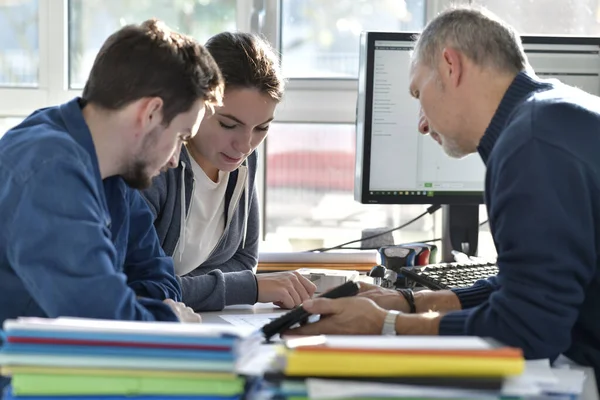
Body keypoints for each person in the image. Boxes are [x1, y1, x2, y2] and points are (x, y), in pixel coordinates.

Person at [287, 6, 600, 383]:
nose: (421, 123)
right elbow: (529, 285)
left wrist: (388, 325)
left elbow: (529, 328)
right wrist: (410, 301)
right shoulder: (552, 113)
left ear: (450, 65)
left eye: (418, 92)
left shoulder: (530, 143)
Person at [0, 19, 224, 325]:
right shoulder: (49, 168)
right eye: (181, 137)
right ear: (150, 113)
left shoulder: (117, 170)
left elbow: (161, 279)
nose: (175, 160)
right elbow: (98, 319)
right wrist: (166, 320)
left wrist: (128, 305)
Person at [142, 32, 316, 312]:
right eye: (228, 124)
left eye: (262, 128)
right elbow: (143, 287)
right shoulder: (156, 163)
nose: (245, 145)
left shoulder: (243, 160)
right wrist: (251, 287)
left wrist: (185, 288)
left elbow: (244, 259)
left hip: (195, 320)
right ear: (196, 103)